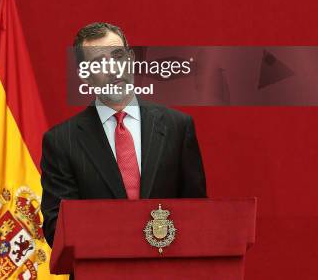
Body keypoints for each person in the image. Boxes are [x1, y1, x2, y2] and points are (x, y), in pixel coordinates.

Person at [40, 22, 207, 247]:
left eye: (118, 56)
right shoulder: (61, 142)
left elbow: (199, 214)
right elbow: (57, 229)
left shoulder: (177, 127)